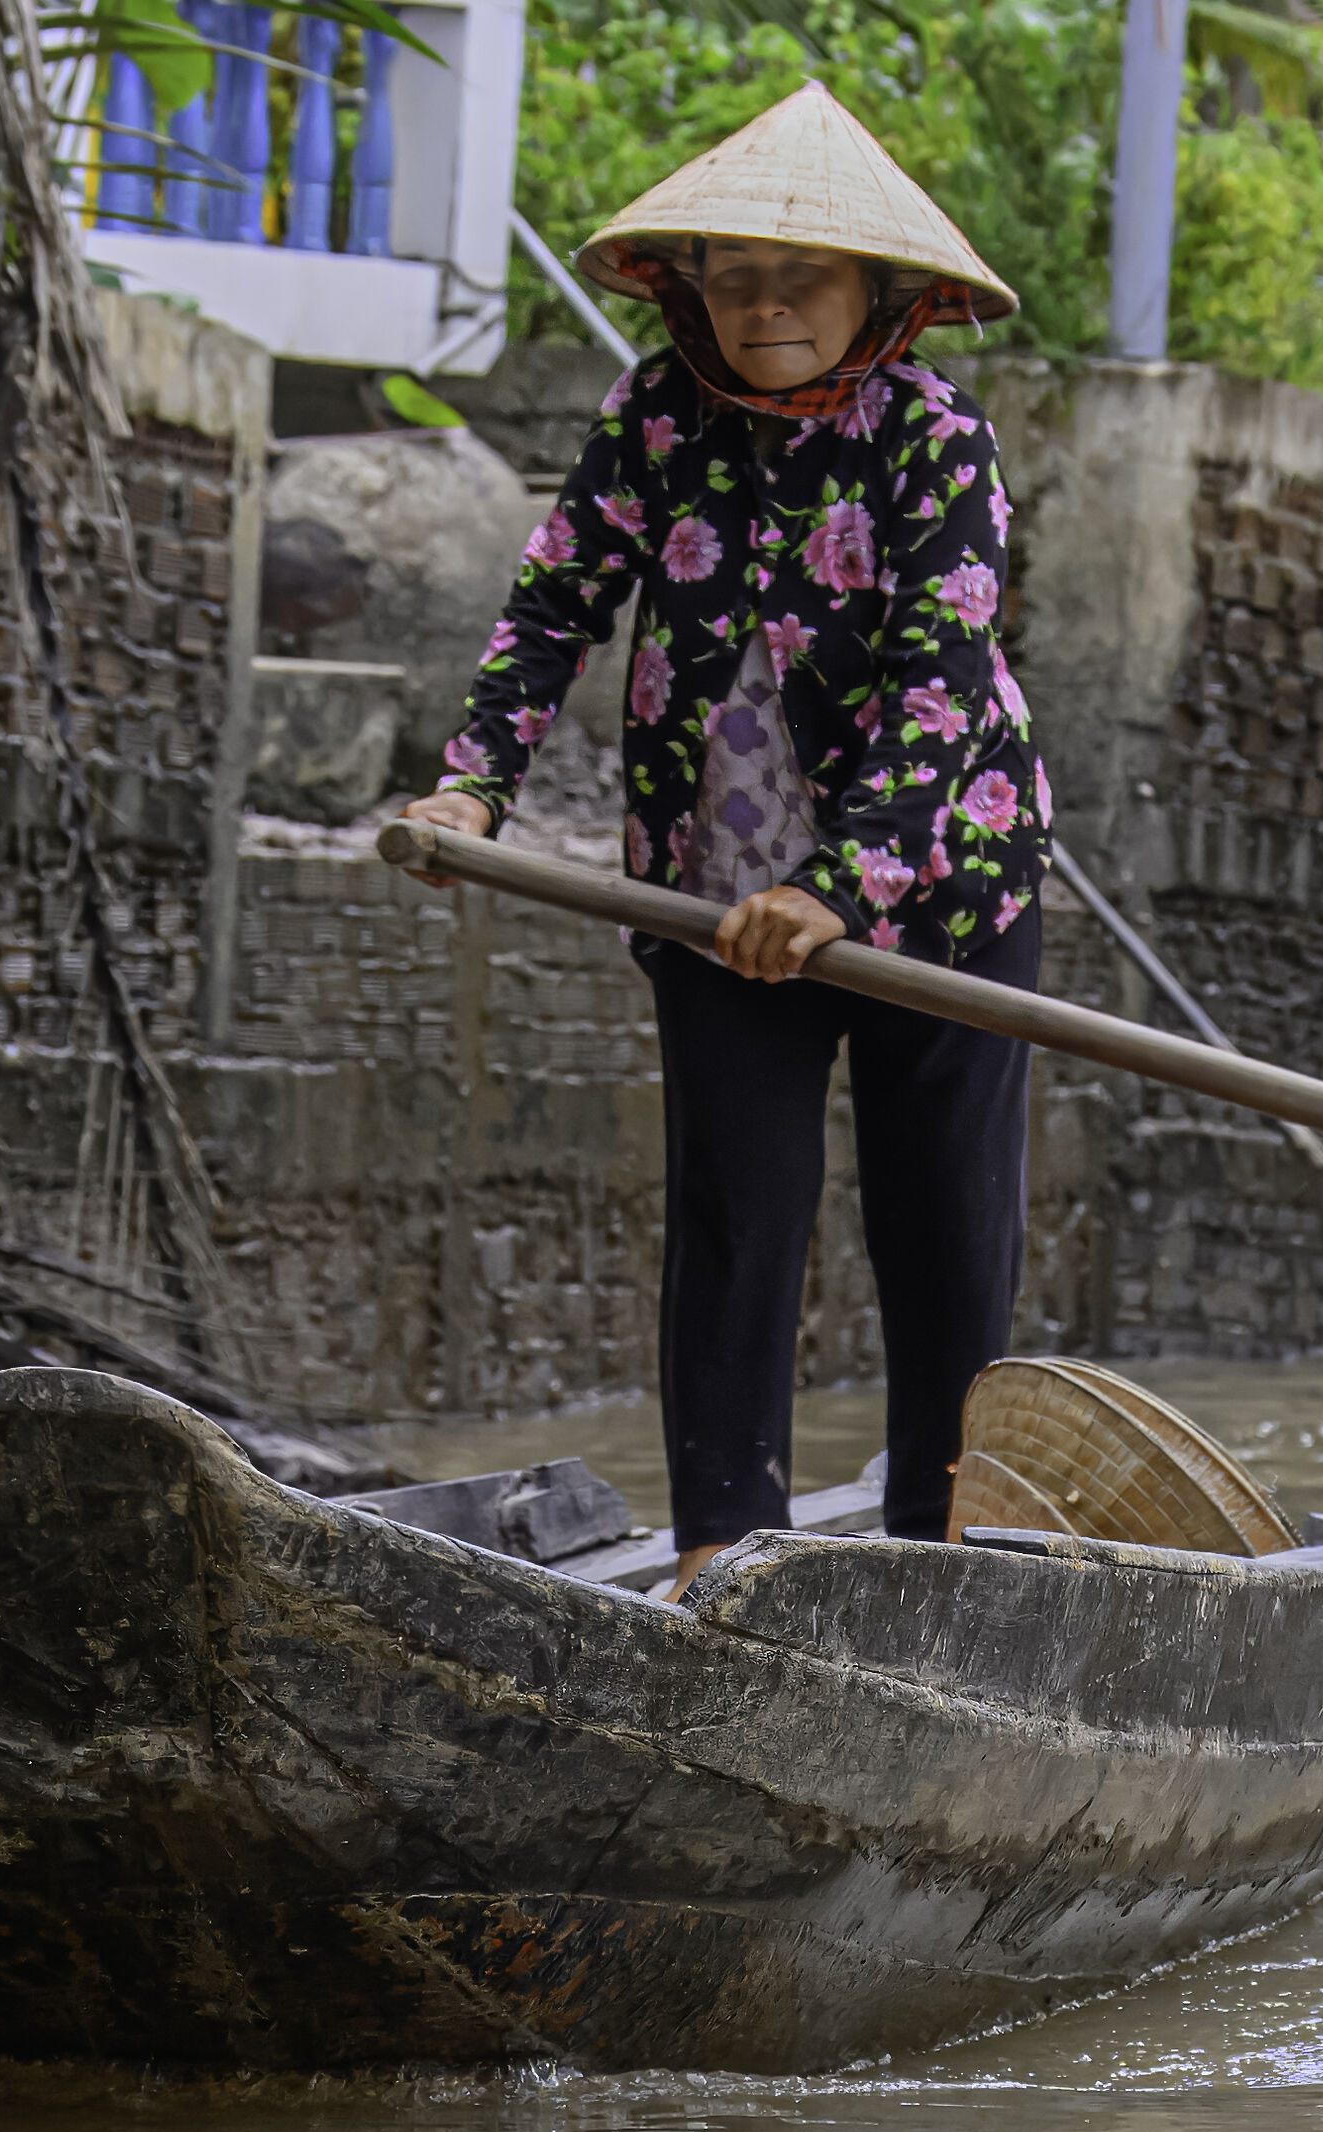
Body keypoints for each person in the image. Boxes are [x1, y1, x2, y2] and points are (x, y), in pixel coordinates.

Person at [397, 84, 1052, 1600]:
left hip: (937, 889)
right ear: (688, 285)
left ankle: (942, 1563)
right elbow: (554, 604)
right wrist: (471, 787)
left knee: (942, 1228)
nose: (764, 306)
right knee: (737, 1222)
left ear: (878, 295)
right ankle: (719, 1558)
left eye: (799, 278)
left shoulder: (936, 439)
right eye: (734, 276)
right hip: (707, 892)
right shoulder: (652, 417)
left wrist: (839, 893)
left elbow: (940, 687)